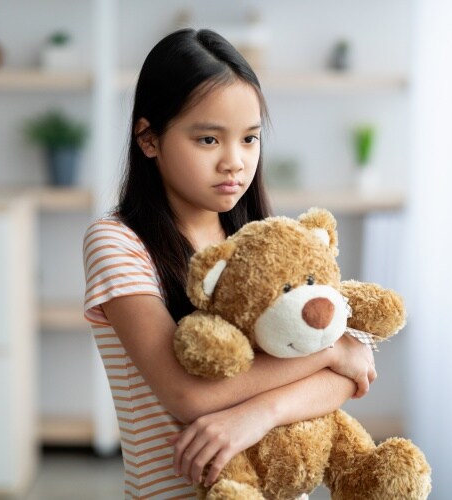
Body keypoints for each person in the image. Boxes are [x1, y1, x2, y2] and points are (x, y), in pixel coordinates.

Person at [83, 28, 376, 499]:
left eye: (249, 139)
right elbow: (187, 394)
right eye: (208, 140)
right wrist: (330, 352)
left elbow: (350, 378)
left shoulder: (264, 239)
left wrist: (258, 414)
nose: (235, 162)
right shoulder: (117, 242)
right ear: (149, 139)